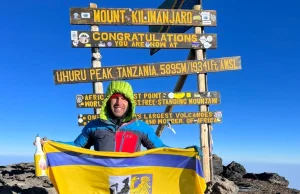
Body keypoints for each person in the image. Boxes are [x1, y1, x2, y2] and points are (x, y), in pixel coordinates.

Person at [37, 80, 169, 152]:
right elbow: (76, 147)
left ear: (130, 103)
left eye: (124, 98)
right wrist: (51, 143)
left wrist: (188, 152)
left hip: (131, 184)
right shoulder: (94, 126)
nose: (119, 102)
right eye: (114, 97)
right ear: (107, 101)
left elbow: (162, 150)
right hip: (102, 183)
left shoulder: (142, 128)